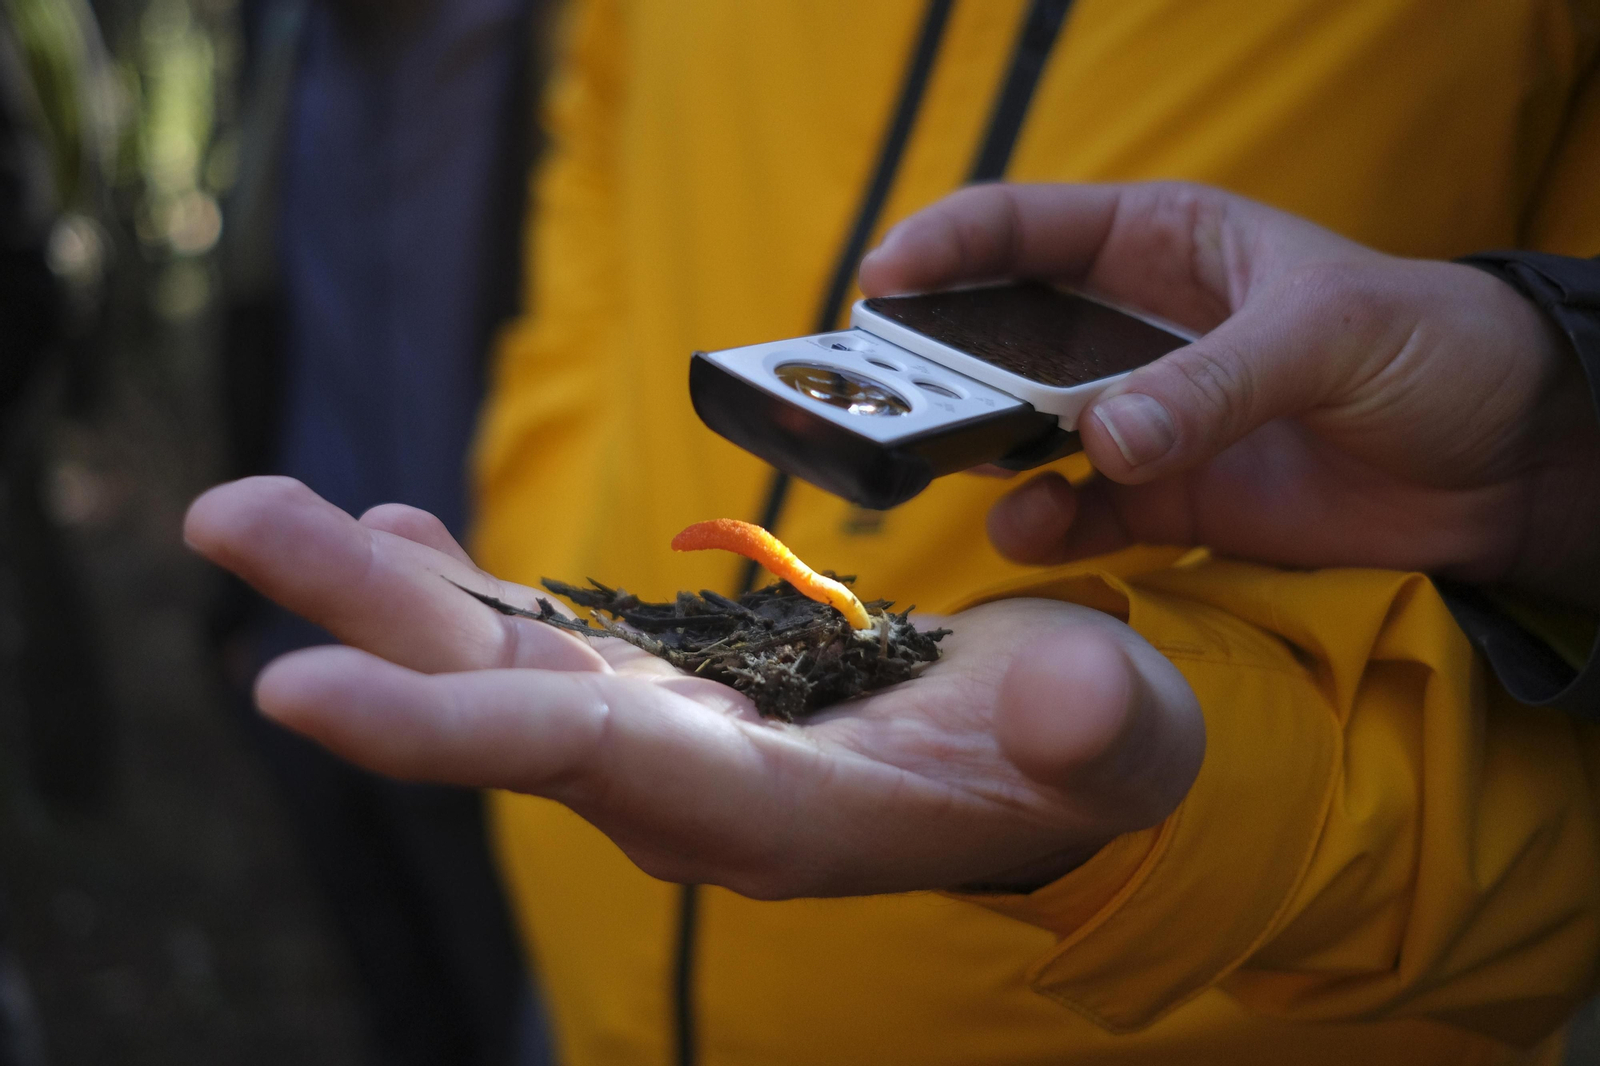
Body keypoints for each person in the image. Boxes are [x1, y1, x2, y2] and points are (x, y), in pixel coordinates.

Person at [195, 2, 1600, 1064]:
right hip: (588, 954)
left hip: (1162, 1004)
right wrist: (549, 486)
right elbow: (599, 148)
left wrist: (1224, 806)